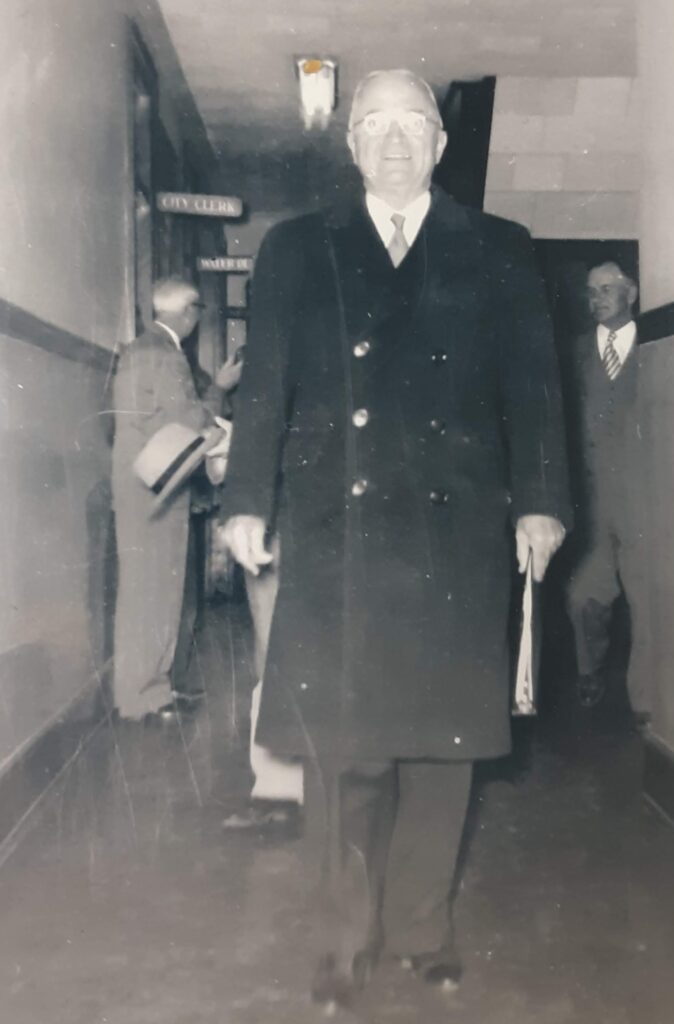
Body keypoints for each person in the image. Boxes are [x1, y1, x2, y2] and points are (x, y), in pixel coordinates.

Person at [220, 69, 571, 1011]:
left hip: (456, 536)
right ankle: (343, 943)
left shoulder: (500, 248)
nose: (393, 140)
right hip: (343, 532)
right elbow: (265, 388)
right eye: (372, 124)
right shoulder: (299, 247)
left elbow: (536, 390)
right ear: (351, 146)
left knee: (441, 753)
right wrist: (246, 499)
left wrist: (541, 502)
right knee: (348, 755)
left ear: (440, 144)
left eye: (411, 124)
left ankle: (422, 930)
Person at [110, 277, 240, 721]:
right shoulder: (166, 356)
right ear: (188, 313)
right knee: (154, 594)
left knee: (148, 592)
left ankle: (153, 689)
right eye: (198, 312)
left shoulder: (138, 350)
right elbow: (190, 420)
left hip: (141, 490)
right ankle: (143, 697)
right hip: (156, 492)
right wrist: (219, 393)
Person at [566, 259, 650, 723]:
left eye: (606, 289)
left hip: (644, 504)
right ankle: (589, 670)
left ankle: (645, 703)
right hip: (596, 506)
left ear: (630, 293)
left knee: (646, 601)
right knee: (583, 596)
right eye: (590, 291)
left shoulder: (654, 347)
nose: (596, 298)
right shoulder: (576, 353)